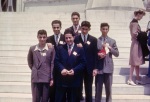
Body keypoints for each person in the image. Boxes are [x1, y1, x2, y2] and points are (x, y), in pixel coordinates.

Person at [55, 29, 86, 102]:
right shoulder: (60, 48)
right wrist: (61, 69)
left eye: (70, 37)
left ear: (74, 37)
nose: (68, 40)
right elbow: (56, 61)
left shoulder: (79, 49)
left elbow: (83, 63)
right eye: (66, 38)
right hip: (62, 81)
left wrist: (74, 70)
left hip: (74, 81)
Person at [27, 29, 55, 102]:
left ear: (46, 38)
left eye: (44, 37)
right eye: (40, 37)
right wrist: (35, 69)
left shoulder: (50, 49)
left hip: (46, 77)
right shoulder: (32, 48)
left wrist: (51, 77)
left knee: (45, 99)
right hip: (36, 77)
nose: (42, 39)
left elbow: (52, 63)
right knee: (36, 98)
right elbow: (30, 62)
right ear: (37, 37)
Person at [94, 23, 119, 102]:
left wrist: (110, 48)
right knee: (98, 89)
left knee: (108, 89)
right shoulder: (96, 41)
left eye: (106, 29)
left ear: (108, 30)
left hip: (108, 67)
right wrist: (98, 54)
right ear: (100, 29)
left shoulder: (112, 41)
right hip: (99, 68)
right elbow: (93, 54)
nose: (104, 31)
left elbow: (117, 54)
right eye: (103, 29)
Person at [74, 21, 97, 102]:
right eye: (83, 29)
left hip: (89, 67)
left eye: (86, 29)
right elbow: (74, 52)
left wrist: (95, 68)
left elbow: (95, 54)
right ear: (80, 28)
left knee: (88, 87)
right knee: (78, 87)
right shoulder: (76, 39)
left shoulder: (93, 39)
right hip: (79, 67)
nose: (84, 31)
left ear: (89, 29)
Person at [46, 20, 65, 102]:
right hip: (52, 66)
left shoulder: (65, 37)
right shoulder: (48, 39)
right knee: (52, 88)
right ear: (52, 28)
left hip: (63, 65)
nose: (56, 29)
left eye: (58, 27)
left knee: (62, 87)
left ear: (61, 27)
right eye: (54, 27)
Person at [127, 10, 146, 85]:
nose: (141, 17)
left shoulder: (134, 22)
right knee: (134, 62)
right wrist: (143, 33)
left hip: (136, 43)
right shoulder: (134, 22)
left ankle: (137, 78)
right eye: (141, 16)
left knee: (137, 62)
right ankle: (130, 79)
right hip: (136, 43)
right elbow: (134, 34)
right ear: (138, 14)